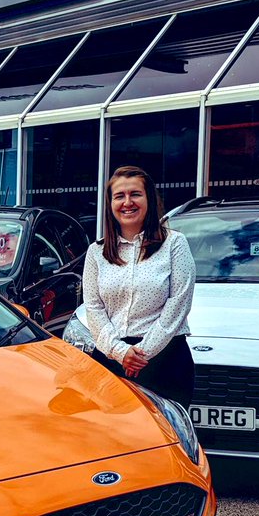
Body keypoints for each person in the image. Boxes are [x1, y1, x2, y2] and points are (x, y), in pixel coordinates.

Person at [82, 165, 196, 409]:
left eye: (135, 194)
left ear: (149, 200)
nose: (127, 202)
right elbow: (93, 307)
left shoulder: (174, 244)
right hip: (111, 359)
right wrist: (120, 351)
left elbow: (179, 303)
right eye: (119, 196)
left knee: (164, 438)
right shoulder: (96, 252)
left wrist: (142, 352)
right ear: (110, 204)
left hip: (164, 360)